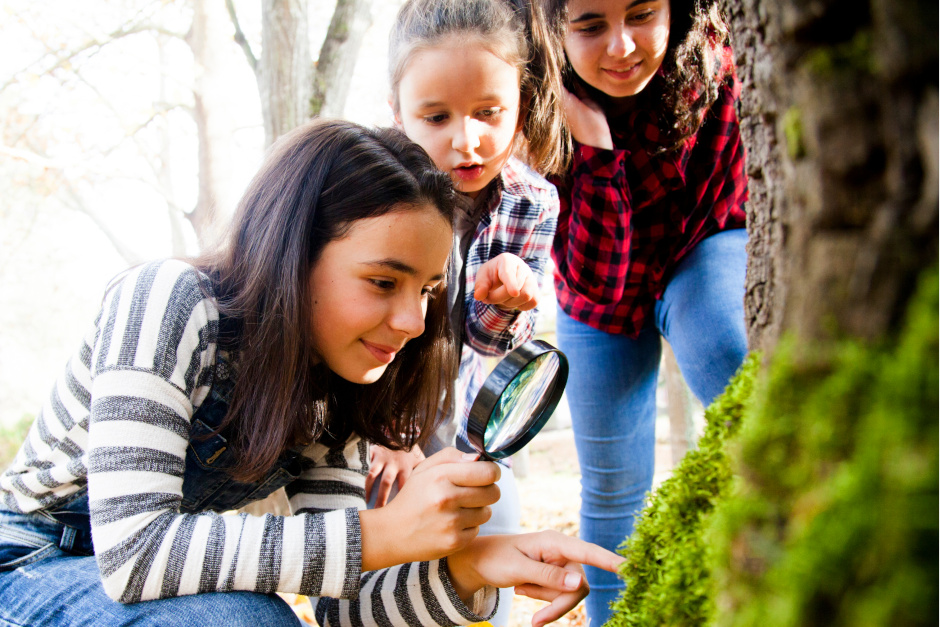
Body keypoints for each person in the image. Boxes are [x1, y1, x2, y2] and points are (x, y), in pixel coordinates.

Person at [0, 119, 623, 627]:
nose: (412, 321)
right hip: (28, 562)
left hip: (137, 590)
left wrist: (469, 568)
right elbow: (134, 552)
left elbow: (344, 611)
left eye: (429, 290)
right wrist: (378, 534)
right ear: (293, 256)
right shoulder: (167, 301)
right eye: (383, 281)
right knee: (242, 623)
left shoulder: (335, 387)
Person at [540, 0, 749, 622]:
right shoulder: (534, 101)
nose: (622, 46)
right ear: (555, 29)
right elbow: (599, 283)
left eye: (641, 15)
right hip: (596, 297)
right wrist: (595, 149)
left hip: (700, 245)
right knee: (611, 491)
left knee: (722, 342)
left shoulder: (713, 66)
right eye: (590, 25)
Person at [369, 1, 569, 624]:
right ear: (398, 116)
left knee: (490, 525)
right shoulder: (374, 196)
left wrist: (505, 305)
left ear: (520, 100)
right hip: (379, 405)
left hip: (470, 409)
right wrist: (391, 431)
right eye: (436, 116)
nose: (467, 139)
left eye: (489, 112)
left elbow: (492, 345)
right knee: (388, 536)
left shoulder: (531, 202)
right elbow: (363, 329)